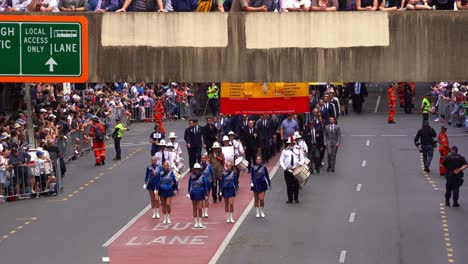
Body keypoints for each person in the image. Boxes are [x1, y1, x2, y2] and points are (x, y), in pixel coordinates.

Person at [280, 136, 304, 204]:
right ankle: (290, 198)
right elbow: (281, 160)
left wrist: (300, 163)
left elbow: (302, 158)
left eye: (292, 143)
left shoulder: (298, 150)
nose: (291, 144)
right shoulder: (284, 151)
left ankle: (296, 198)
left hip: (296, 169)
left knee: (296, 185)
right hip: (288, 170)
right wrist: (284, 167)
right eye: (290, 143)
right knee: (289, 185)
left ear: (294, 143)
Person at [187, 163, 208, 228]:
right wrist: (188, 193)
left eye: (198, 169)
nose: (197, 170)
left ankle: (200, 222)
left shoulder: (202, 176)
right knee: (194, 208)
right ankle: (196, 222)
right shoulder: (191, 176)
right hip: (193, 193)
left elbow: (204, 185)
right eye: (196, 169)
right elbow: (189, 185)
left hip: (201, 193)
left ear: (199, 169)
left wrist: (206, 194)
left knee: (200, 208)